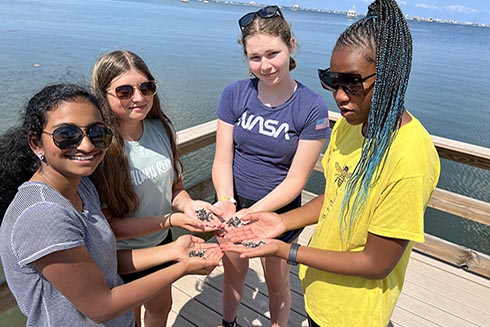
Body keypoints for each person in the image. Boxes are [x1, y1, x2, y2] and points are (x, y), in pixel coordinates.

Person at [221, 1, 441, 326]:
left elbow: (376, 262)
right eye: (332, 81)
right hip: (319, 294)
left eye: (351, 83)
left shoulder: (410, 156)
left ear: (389, 75)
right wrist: (282, 223)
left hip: (354, 312)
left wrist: (286, 251)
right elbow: (335, 197)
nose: (339, 96)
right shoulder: (352, 127)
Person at [0, 83, 223, 326]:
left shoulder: (82, 186)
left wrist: (174, 251)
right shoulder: (42, 214)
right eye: (66, 136)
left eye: (97, 133)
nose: (86, 146)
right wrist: (182, 267)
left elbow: (106, 264)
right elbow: (100, 306)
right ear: (36, 143)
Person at [212, 5, 329, 327]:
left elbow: (296, 180)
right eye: (255, 57)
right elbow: (223, 158)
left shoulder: (311, 107)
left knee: (276, 283)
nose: (264, 65)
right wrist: (226, 201)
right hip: (233, 204)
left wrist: (248, 216)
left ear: (290, 45)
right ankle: (228, 323)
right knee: (233, 274)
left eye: (272, 53)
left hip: (279, 213)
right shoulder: (235, 94)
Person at [90, 50, 224, 327]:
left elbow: (175, 187)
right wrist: (171, 220)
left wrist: (189, 206)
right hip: (122, 255)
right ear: (103, 95)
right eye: (124, 91)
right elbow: (109, 225)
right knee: (129, 318)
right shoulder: (100, 149)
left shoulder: (160, 128)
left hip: (163, 243)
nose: (139, 98)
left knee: (161, 307)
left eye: (146, 87)